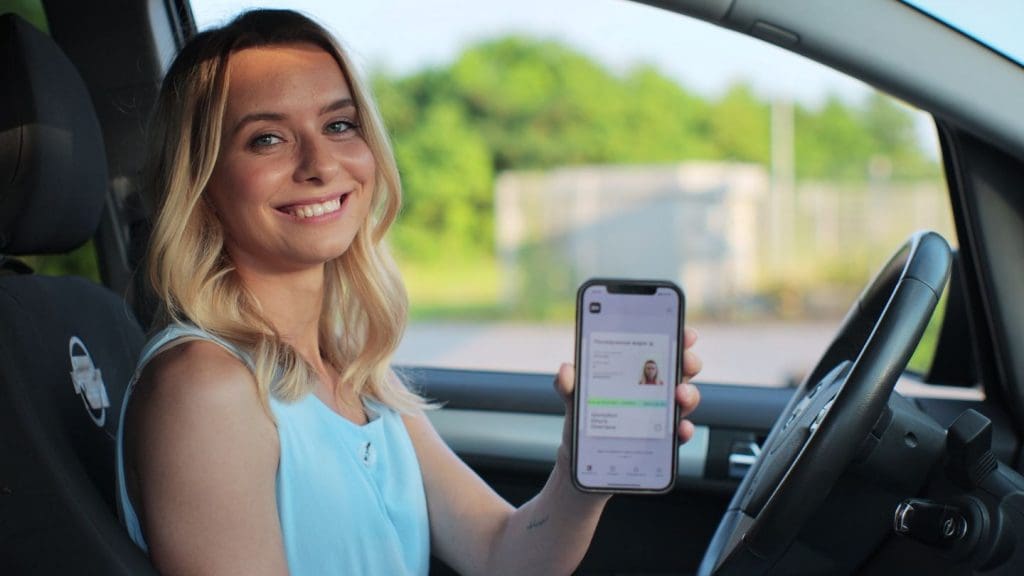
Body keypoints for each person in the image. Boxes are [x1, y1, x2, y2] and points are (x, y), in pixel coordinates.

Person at [115, 9, 702, 575]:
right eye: (267, 139)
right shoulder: (205, 387)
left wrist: (580, 472)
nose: (320, 163)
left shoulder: (353, 370)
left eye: (339, 125)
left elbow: (503, 554)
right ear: (202, 179)